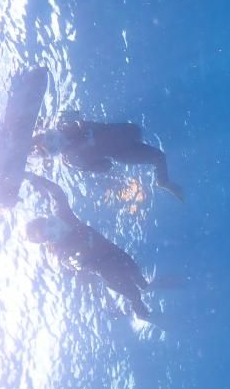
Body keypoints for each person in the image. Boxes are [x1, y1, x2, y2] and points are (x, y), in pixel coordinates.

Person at [23, 172, 151, 320]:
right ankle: (142, 314)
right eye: (49, 235)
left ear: (48, 218)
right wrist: (75, 262)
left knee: (137, 274)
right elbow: (67, 261)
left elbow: (57, 192)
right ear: (49, 241)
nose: (56, 230)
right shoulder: (60, 249)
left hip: (112, 250)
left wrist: (34, 178)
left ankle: (146, 288)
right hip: (106, 270)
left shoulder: (62, 214)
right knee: (133, 294)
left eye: (50, 225)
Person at [31, 119, 184, 201]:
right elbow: (104, 166)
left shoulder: (68, 127)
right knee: (158, 155)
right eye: (52, 148)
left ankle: (163, 182)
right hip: (122, 147)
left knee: (155, 153)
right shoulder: (72, 159)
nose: (56, 142)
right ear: (53, 155)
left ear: (51, 131)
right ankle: (163, 182)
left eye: (51, 138)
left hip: (121, 146)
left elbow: (105, 166)